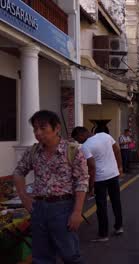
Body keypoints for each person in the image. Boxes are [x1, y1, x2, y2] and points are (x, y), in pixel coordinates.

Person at [13, 110, 89, 263]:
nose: (38, 133)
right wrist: (24, 197)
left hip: (63, 208)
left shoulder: (72, 150)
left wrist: (77, 212)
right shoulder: (33, 151)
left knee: (70, 255)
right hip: (38, 208)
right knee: (41, 258)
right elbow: (19, 172)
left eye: (43, 128)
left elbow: (82, 181)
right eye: (35, 129)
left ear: (57, 128)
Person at [71, 127, 124, 242]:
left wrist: (91, 187)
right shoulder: (105, 135)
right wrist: (120, 167)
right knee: (116, 202)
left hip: (100, 179)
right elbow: (117, 150)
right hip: (113, 174)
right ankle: (119, 227)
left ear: (81, 134)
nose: (78, 142)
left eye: (77, 139)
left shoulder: (85, 147)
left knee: (101, 207)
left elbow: (92, 167)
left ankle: (103, 234)